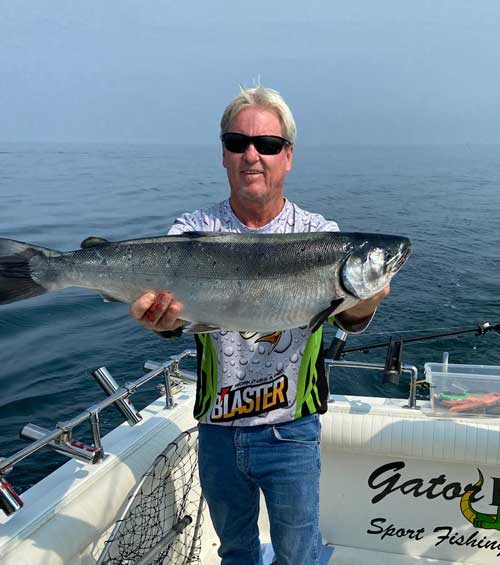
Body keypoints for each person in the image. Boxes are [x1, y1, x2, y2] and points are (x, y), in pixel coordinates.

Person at [130, 87, 389, 565]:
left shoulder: (321, 235)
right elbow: (172, 321)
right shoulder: (191, 231)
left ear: (287, 156)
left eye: (267, 145)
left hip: (291, 430)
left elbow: (349, 318)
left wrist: (364, 296)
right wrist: (160, 322)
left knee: (298, 554)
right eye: (238, 142)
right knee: (235, 554)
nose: (252, 155)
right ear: (223, 155)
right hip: (217, 430)